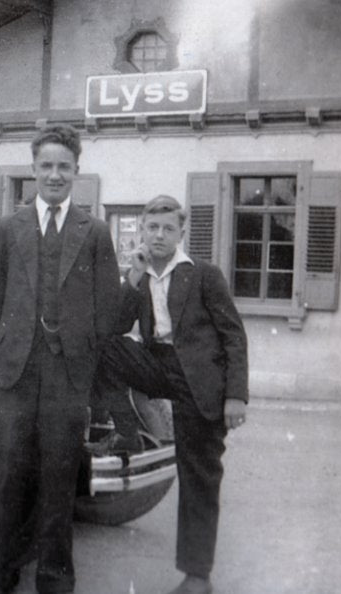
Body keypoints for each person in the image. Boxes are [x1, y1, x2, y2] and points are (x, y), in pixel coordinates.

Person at [0, 124, 120, 594]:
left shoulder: (94, 231)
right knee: (7, 479)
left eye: (64, 166)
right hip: (15, 373)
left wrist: (82, 366)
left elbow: (107, 311)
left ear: (76, 171)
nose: (54, 175)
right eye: (46, 166)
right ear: (33, 170)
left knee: (59, 480)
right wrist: (4, 355)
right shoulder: (6, 227)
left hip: (66, 376)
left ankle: (55, 580)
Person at [91, 195, 248, 594]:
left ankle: (197, 577)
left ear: (181, 233)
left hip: (199, 379)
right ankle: (126, 431)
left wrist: (236, 396)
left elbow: (233, 336)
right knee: (101, 347)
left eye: (168, 229)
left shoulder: (204, 275)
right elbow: (115, 327)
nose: (159, 236)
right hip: (156, 363)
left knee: (199, 475)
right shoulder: (140, 275)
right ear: (142, 230)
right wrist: (132, 279)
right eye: (152, 228)